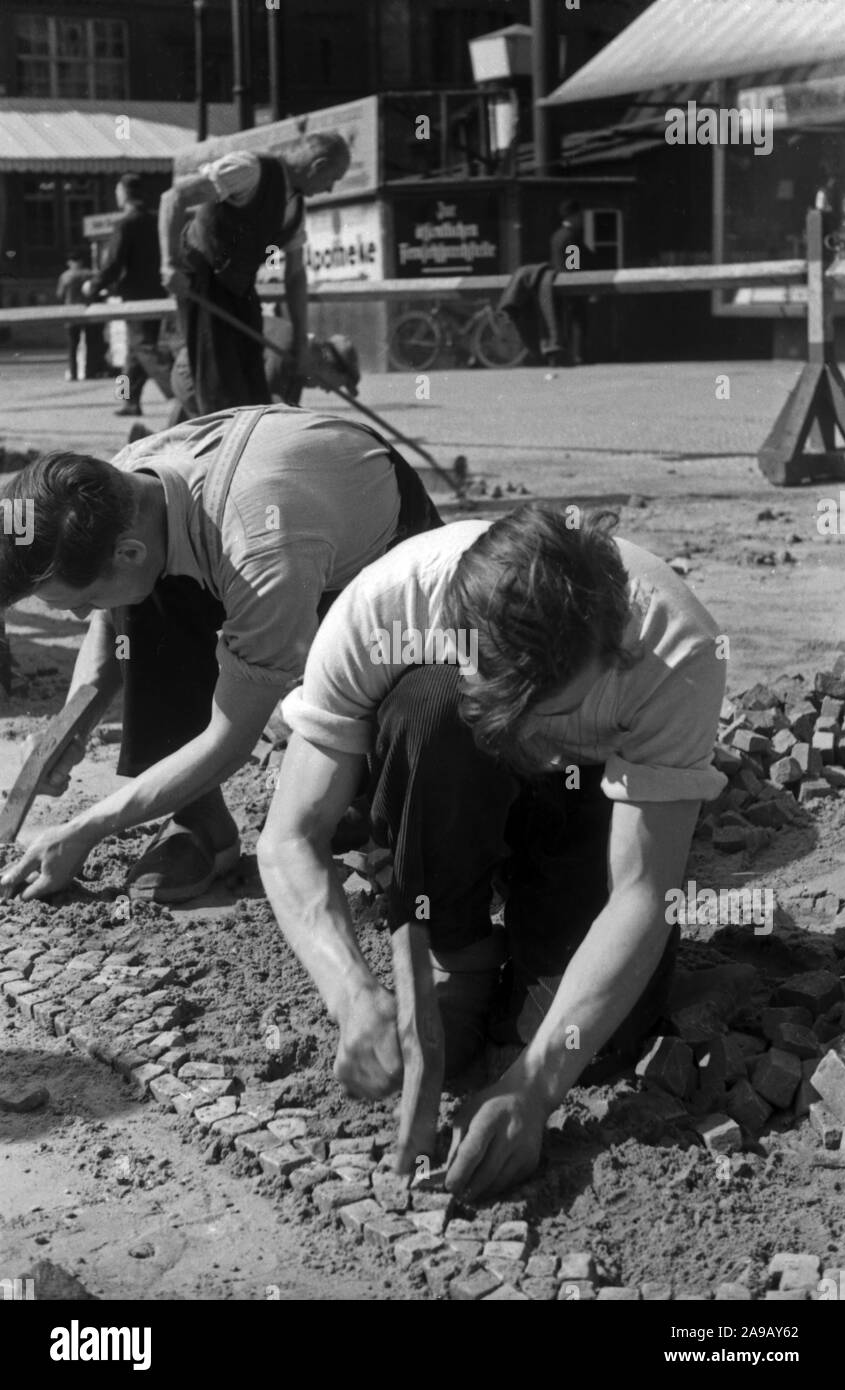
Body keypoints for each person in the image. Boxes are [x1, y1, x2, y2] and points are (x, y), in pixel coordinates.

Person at [256, 505, 727, 1199]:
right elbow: (289, 836)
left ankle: (531, 936)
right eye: (506, 698)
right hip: (451, 777)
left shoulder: (674, 649)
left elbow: (640, 895)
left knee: (596, 1044)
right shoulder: (388, 604)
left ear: (612, 651)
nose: (528, 728)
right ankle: (465, 958)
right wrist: (351, 995)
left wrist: (532, 1088)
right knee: (429, 706)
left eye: (552, 706)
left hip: (594, 796)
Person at [0, 404, 441, 905]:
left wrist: (86, 827)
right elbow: (111, 623)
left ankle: (366, 772)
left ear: (127, 554)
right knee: (139, 598)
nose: (80, 617)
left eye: (79, 602)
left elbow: (229, 739)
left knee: (386, 779)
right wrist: (71, 725)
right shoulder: (120, 486)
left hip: (378, 556)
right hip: (266, 525)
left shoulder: (262, 550)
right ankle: (200, 821)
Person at [158, 133, 350, 418]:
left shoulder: (295, 209)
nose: (330, 189)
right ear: (317, 166)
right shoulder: (250, 169)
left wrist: (299, 339)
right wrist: (169, 264)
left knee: (253, 388)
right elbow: (174, 197)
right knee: (218, 386)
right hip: (202, 277)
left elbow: (295, 275)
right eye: (332, 179)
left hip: (240, 287)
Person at [83, 173, 170, 418]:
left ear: (124, 194)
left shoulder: (126, 223)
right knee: (135, 351)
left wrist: (95, 284)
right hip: (158, 292)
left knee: (143, 347)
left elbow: (114, 262)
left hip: (135, 297)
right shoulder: (157, 220)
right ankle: (129, 402)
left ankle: (180, 394)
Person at [549, 200, 591, 366]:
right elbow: (573, 263)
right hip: (571, 285)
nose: (581, 219)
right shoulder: (571, 236)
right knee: (578, 321)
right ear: (573, 216)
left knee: (563, 322)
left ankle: (562, 357)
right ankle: (578, 356)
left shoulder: (557, 235)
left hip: (558, 284)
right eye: (579, 215)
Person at [56, 251, 104, 382]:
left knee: (72, 345)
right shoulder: (91, 274)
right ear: (81, 261)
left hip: (71, 313)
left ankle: (73, 373)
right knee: (91, 343)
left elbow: (60, 294)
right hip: (88, 312)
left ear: (69, 262)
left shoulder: (65, 276)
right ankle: (90, 371)